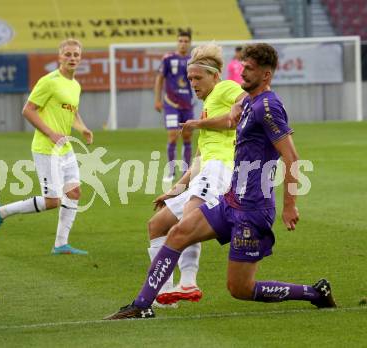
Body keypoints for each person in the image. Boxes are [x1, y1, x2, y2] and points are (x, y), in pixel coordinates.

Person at [105, 43, 336, 320]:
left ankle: (314, 293)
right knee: (178, 232)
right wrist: (236, 106)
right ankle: (141, 305)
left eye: (249, 69)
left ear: (265, 75)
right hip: (230, 203)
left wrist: (290, 206)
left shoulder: (268, 107)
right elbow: (232, 112)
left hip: (252, 211)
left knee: (240, 288)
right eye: (243, 66)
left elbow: (292, 157)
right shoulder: (249, 101)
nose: (243, 72)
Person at [147, 43, 246, 308]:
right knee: (157, 224)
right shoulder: (206, 107)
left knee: (187, 225)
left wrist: (203, 123)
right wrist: (175, 190)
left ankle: (188, 281)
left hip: (221, 170)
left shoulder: (225, 88)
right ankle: (164, 294)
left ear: (215, 76)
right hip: (206, 170)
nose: (192, 83)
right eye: (190, 78)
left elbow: (245, 104)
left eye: (197, 78)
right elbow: (198, 160)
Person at [0, 38, 93, 255]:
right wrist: (51, 133)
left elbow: (71, 112)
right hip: (46, 147)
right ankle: (2, 212)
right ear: (59, 57)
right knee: (52, 201)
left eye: (76, 54)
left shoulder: (75, 85)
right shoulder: (49, 81)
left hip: (65, 147)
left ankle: (60, 244)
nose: (72, 58)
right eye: (68, 54)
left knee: (74, 192)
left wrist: (82, 128)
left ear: (80, 58)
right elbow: (28, 110)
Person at [154, 31, 194, 182]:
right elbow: (159, 79)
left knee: (188, 136)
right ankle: (170, 171)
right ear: (177, 42)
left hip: (187, 105)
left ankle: (185, 173)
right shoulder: (168, 58)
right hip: (171, 104)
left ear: (189, 43)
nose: (183, 43)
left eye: (186, 41)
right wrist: (157, 99)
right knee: (172, 135)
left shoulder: (193, 60)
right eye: (180, 40)